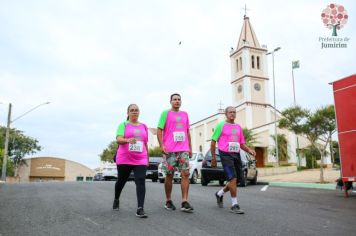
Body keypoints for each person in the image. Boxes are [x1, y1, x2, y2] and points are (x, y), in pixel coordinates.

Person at [210, 106, 256, 214]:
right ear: (226, 114)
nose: (232, 114)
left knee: (238, 180)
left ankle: (219, 193)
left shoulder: (238, 127)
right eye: (230, 112)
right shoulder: (221, 125)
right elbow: (213, 142)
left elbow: (241, 144)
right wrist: (213, 158)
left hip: (236, 154)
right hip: (225, 154)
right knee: (233, 179)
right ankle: (234, 204)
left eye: (234, 112)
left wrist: (249, 150)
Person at [157, 93, 194, 213]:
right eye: (174, 100)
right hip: (170, 149)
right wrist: (161, 145)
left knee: (186, 173)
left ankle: (184, 201)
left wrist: (190, 147)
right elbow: (159, 130)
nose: (177, 101)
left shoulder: (185, 114)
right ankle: (168, 200)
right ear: (170, 101)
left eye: (179, 99)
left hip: (183, 149)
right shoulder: (165, 113)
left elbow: (187, 131)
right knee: (169, 175)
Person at [113, 104, 149, 218]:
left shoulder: (144, 126)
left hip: (140, 158)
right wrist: (128, 140)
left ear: (139, 112)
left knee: (141, 180)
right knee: (121, 181)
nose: (134, 112)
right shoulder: (123, 125)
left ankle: (140, 208)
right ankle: (116, 198)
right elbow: (118, 139)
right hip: (124, 158)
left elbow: (145, 143)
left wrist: (147, 158)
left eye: (136, 110)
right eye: (132, 110)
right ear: (127, 113)